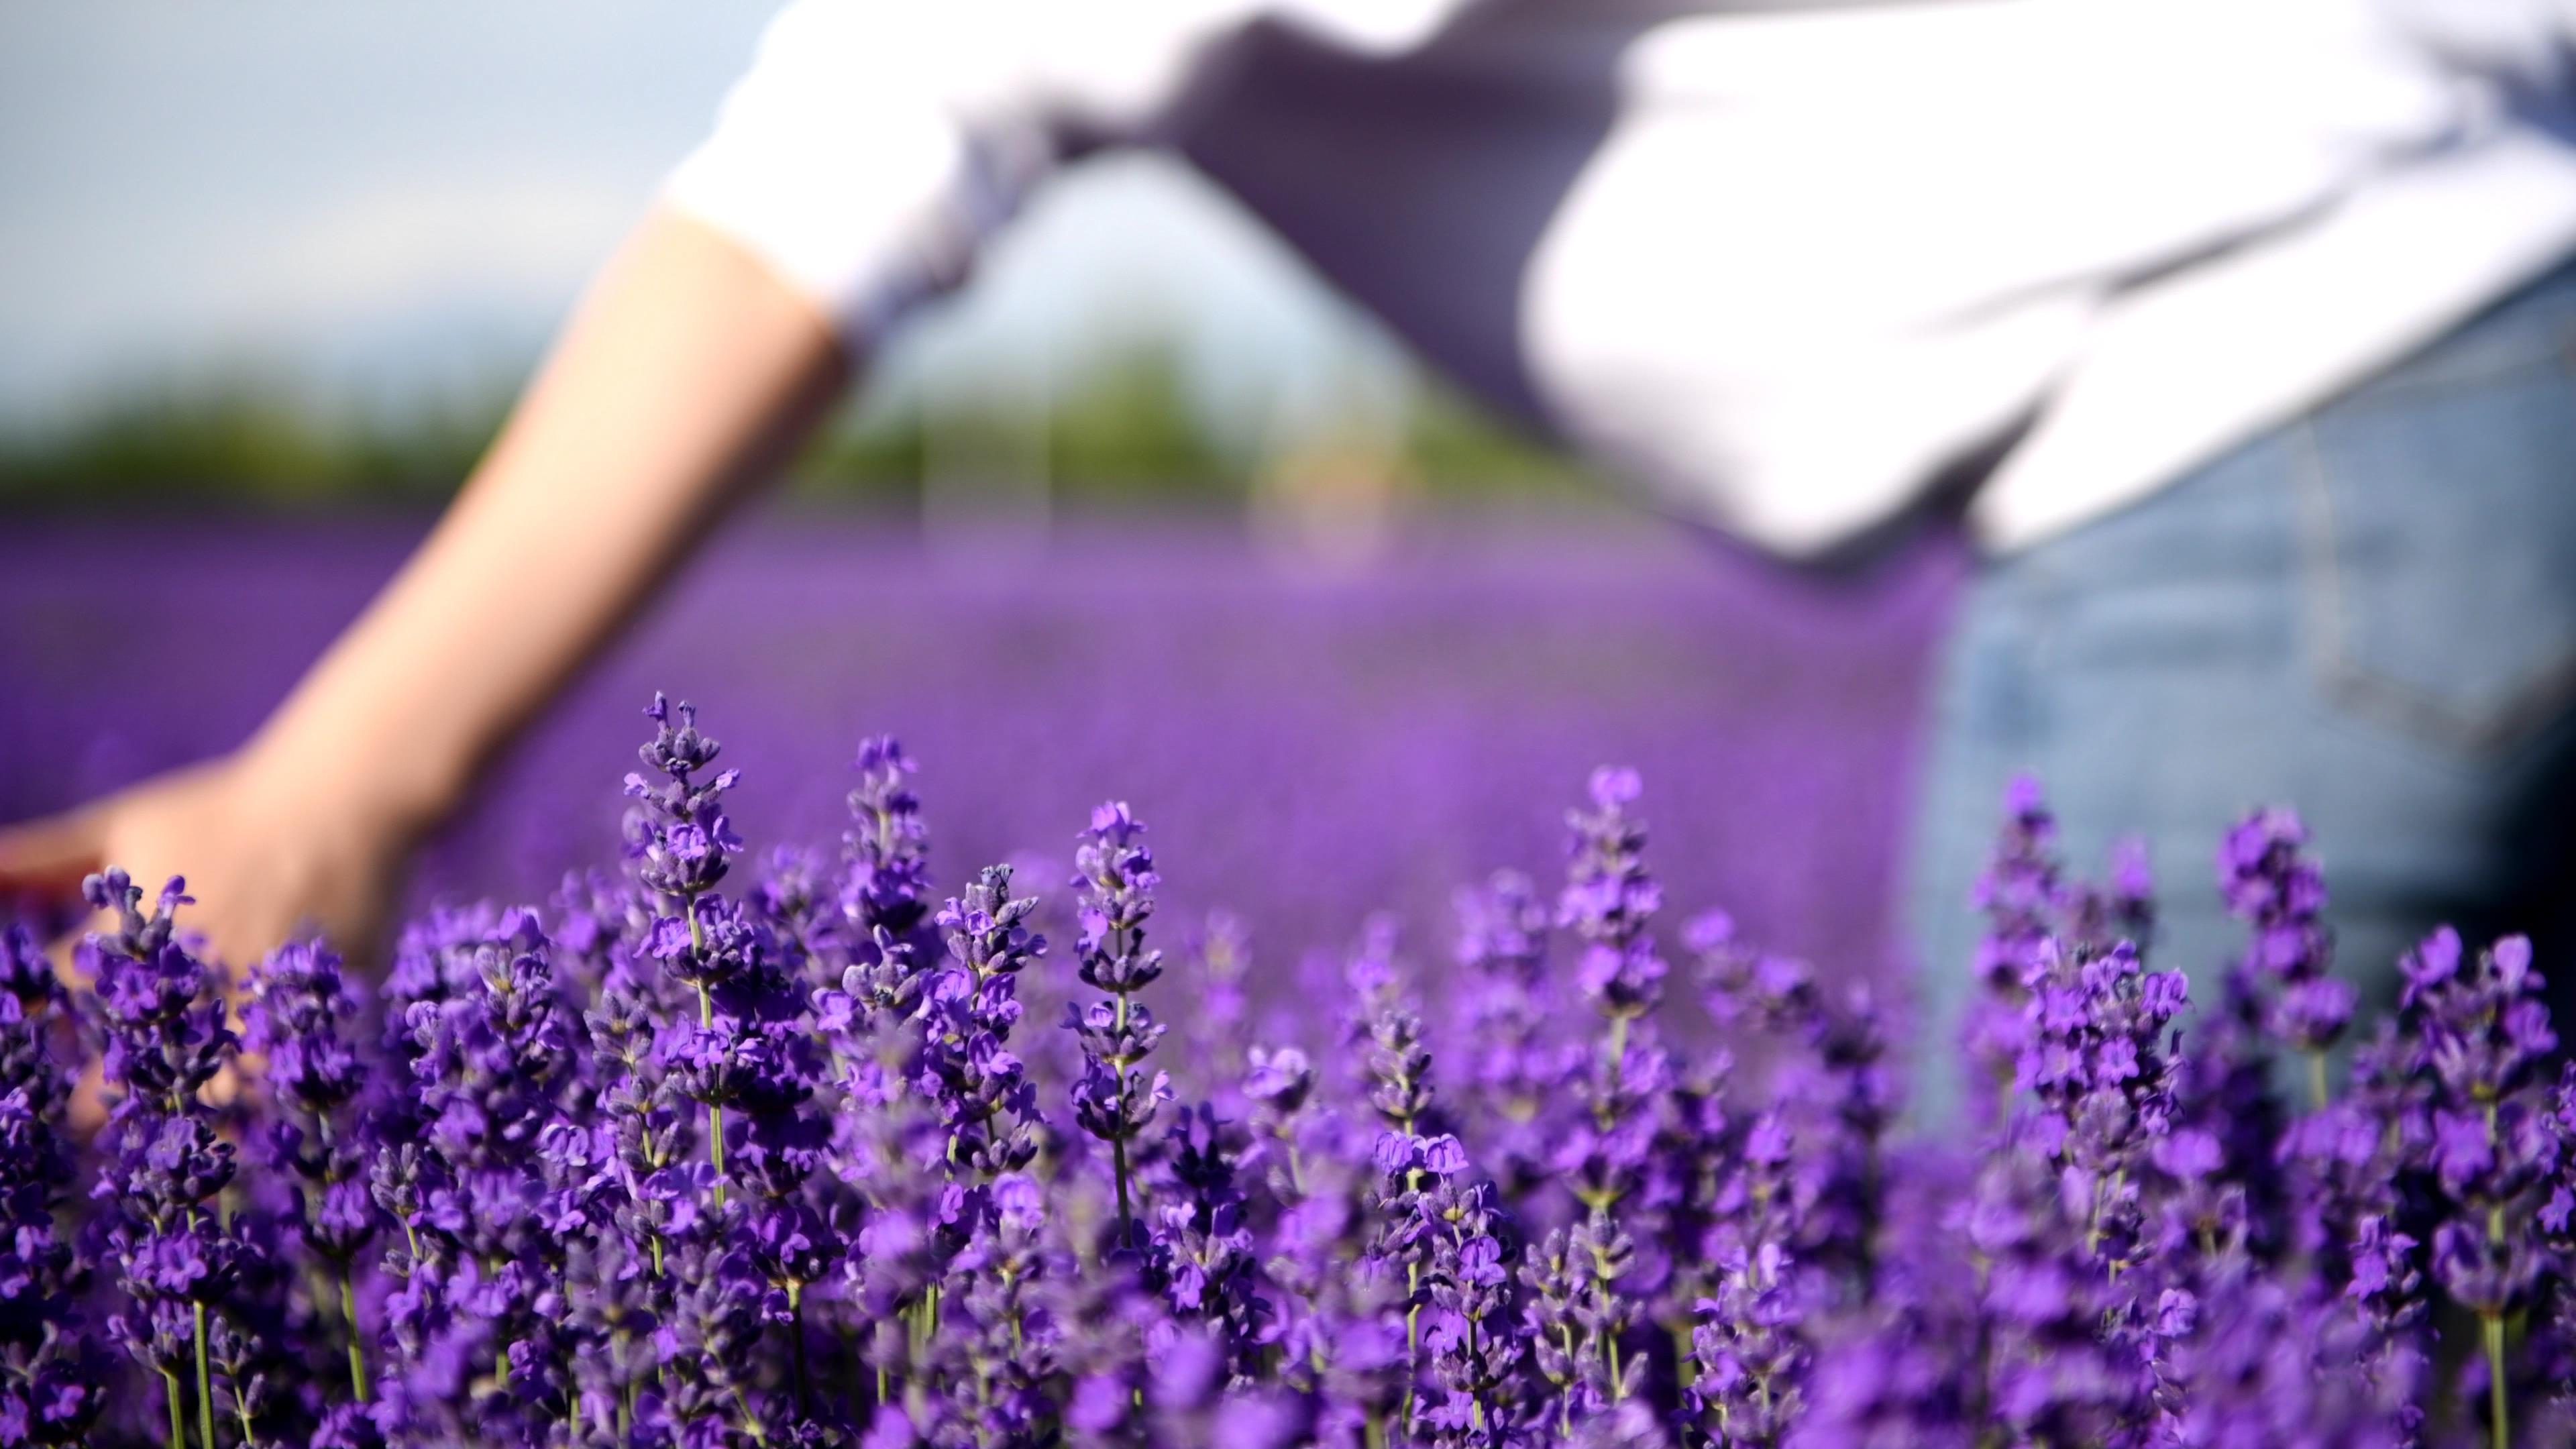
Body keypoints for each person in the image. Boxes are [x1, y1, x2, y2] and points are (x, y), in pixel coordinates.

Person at [4, 1, 2574, 1106]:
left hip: (2297, 433)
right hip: (2315, 422)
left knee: (2127, 1324)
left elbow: (857, 148)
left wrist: (340, 784)